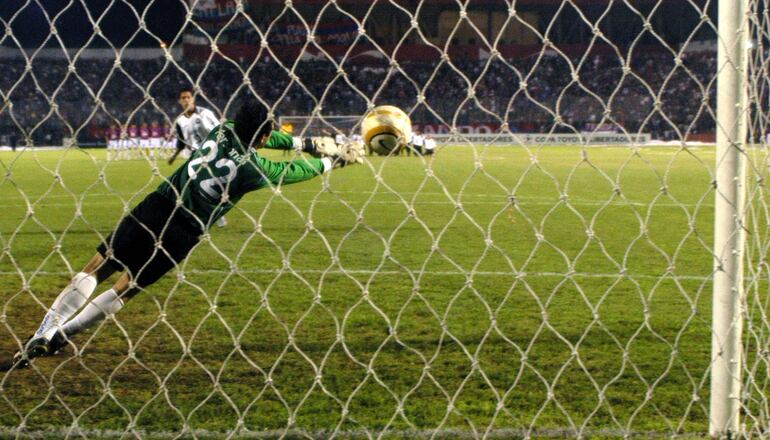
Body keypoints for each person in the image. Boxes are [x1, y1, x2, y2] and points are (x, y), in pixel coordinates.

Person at [1, 100, 363, 372]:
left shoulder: (221, 127)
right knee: (129, 286)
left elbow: (265, 137)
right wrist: (332, 159)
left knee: (100, 264)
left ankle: (45, 328)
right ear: (266, 135)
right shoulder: (253, 168)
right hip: (185, 229)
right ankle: (64, 337)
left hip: (159, 204)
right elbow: (295, 170)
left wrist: (310, 144)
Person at [167, 89, 225, 225]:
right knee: (192, 187)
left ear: (193, 99)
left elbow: (219, 129)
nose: (186, 100)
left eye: (188, 97)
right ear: (180, 101)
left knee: (200, 186)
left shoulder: (205, 113)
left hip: (211, 153)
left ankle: (214, 214)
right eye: (183, 98)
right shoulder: (180, 120)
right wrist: (174, 157)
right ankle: (212, 214)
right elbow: (181, 141)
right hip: (194, 156)